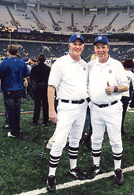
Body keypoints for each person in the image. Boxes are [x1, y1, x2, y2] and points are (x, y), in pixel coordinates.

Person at [46, 34, 88, 193]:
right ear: (69, 45)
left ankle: (73, 168)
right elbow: (51, 87)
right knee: (59, 141)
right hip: (66, 107)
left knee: (76, 139)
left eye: (80, 44)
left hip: (82, 106)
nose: (77, 46)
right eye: (74, 44)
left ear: (83, 47)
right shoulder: (60, 63)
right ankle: (51, 176)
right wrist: (51, 109)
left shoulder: (85, 64)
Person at [86, 36, 128, 185]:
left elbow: (125, 86)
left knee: (115, 139)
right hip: (95, 108)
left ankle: (118, 169)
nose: (100, 50)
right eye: (97, 47)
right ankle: (96, 166)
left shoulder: (116, 65)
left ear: (108, 48)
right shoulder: (90, 65)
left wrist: (115, 88)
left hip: (112, 108)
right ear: (94, 49)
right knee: (95, 139)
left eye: (103, 47)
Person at [0, 45, 30, 137]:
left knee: (10, 110)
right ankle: (16, 128)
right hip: (18, 89)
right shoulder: (21, 62)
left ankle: (13, 130)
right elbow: (27, 73)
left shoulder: (5, 62)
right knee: (17, 110)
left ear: (8, 52)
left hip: (8, 89)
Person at [30, 54, 51, 126]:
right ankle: (46, 120)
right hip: (45, 87)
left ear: (38, 60)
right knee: (45, 104)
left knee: (37, 104)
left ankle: (35, 120)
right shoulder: (48, 68)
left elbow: (32, 78)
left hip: (37, 87)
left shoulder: (34, 68)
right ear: (45, 60)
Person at [120, 59, 134, 135]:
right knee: (122, 113)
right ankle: (120, 129)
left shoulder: (119, 72)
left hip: (117, 94)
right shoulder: (131, 74)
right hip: (125, 95)